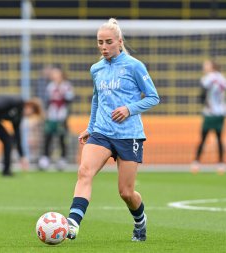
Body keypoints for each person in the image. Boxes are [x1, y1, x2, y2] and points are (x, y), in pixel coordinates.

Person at [65, 18, 160, 242]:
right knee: (84, 172)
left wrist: (129, 109)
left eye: (108, 42)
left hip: (129, 135)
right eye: (100, 42)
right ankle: (72, 224)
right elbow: (97, 100)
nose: (104, 47)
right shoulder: (96, 69)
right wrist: (90, 128)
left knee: (126, 192)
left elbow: (154, 97)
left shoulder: (134, 66)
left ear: (119, 41)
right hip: (101, 132)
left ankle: (140, 221)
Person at [191, 60, 226, 175]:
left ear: (212, 67)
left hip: (210, 113)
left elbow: (202, 93)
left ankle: (196, 163)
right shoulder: (222, 78)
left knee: (203, 137)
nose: (204, 67)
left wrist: (205, 104)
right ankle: (221, 164)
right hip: (221, 113)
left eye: (206, 65)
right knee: (219, 138)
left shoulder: (208, 78)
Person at [38, 67, 74, 170]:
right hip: (51, 116)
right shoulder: (50, 86)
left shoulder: (67, 86)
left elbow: (69, 100)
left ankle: (62, 159)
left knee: (62, 137)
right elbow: (47, 101)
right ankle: (45, 158)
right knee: (48, 136)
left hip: (62, 116)